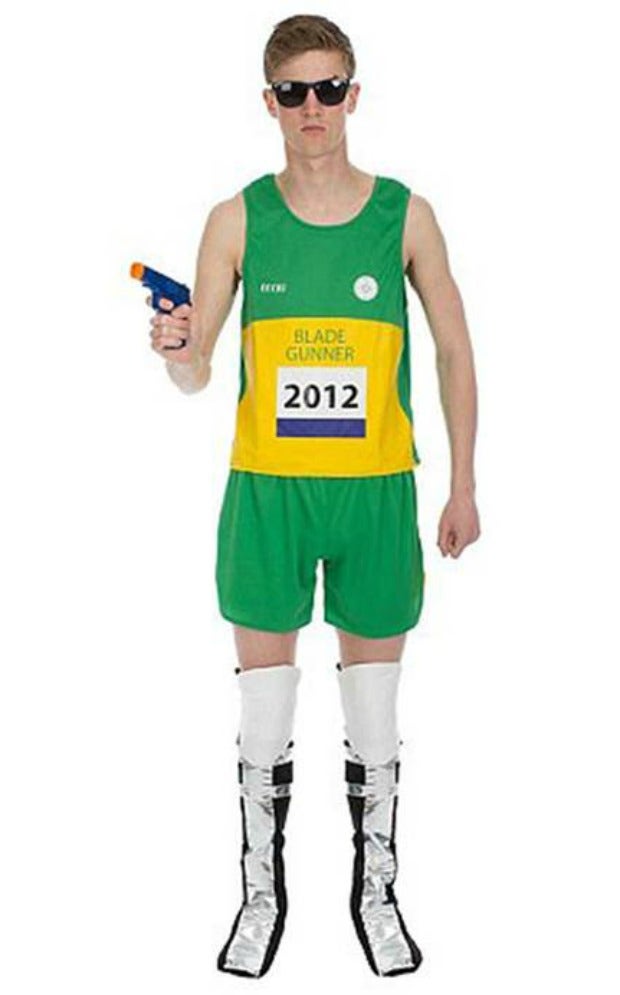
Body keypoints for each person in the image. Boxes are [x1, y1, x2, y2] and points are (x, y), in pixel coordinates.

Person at [147, 13, 480, 979]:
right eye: (293, 91)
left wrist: (463, 482)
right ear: (269, 102)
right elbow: (197, 369)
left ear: (353, 95)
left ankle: (377, 893)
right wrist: (176, 348)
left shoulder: (406, 216)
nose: (312, 108)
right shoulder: (235, 220)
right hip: (269, 494)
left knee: (374, 710)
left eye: (328, 88)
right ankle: (260, 895)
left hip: (376, 493)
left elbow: (454, 349)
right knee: (264, 710)